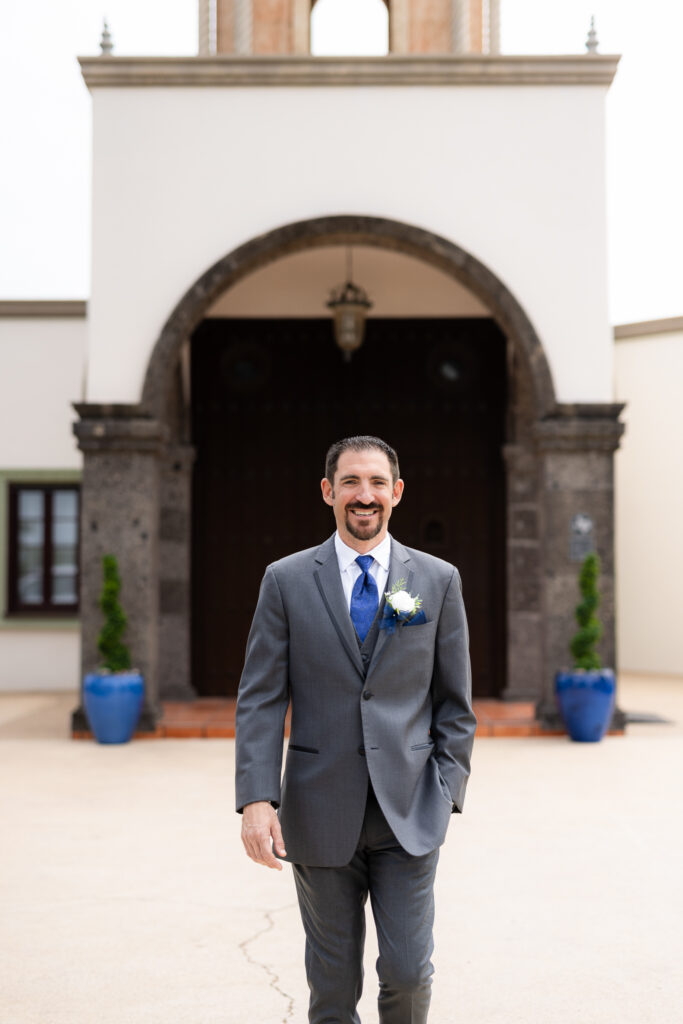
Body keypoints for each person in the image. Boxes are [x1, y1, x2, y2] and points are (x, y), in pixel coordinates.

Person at [235, 435, 476, 1024]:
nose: (362, 496)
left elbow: (455, 702)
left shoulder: (438, 580)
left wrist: (447, 789)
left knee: (409, 972)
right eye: (349, 482)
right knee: (333, 987)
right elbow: (261, 698)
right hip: (319, 810)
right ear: (328, 492)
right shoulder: (285, 580)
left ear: (396, 493)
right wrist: (256, 799)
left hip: (410, 808)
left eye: (375, 483)